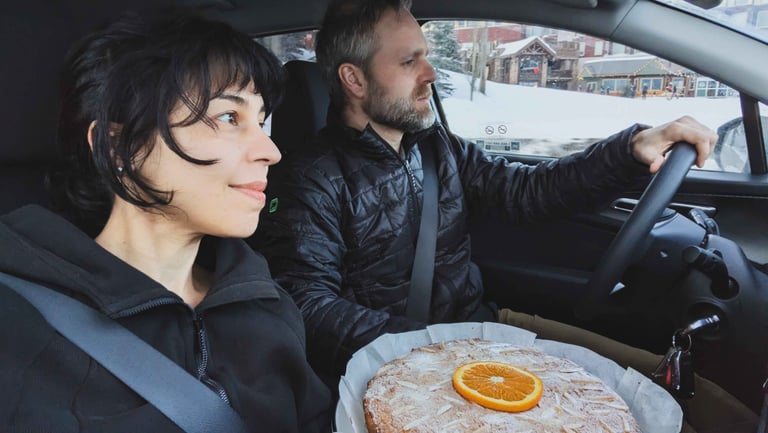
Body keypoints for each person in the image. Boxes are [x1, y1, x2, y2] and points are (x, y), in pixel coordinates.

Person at [254, 0, 756, 431]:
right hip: (401, 366)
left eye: (426, 56)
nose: (431, 74)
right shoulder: (311, 179)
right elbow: (307, 305)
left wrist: (630, 150)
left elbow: (529, 191)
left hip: (479, 328)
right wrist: (433, 346)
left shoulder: (434, 148)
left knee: (671, 396)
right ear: (354, 79)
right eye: (411, 61)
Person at [0, 10, 331, 433]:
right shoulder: (18, 328)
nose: (271, 150)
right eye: (230, 117)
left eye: (261, 121)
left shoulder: (268, 305)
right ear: (122, 149)